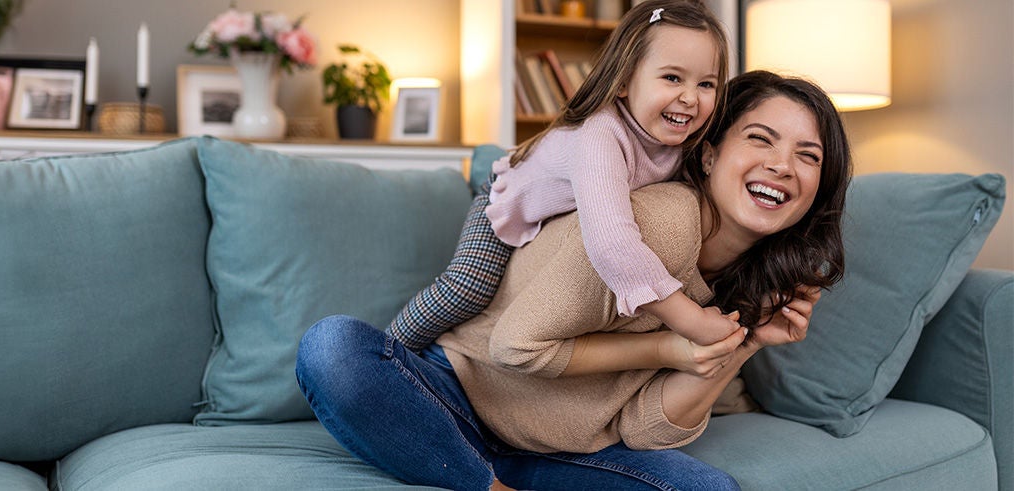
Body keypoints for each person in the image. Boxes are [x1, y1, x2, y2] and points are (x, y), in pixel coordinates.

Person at [296, 70, 853, 490]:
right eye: (761, 139)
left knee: (708, 489)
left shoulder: (751, 278)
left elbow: (645, 431)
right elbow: (516, 346)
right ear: (708, 154)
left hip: (559, 449)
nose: (784, 165)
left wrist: (746, 343)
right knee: (333, 347)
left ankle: (465, 469)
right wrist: (668, 345)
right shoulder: (662, 221)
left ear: (817, 190)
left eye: (808, 156)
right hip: (457, 397)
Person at [389, 0, 738, 352]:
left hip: (562, 221)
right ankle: (386, 349)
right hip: (508, 198)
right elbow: (612, 241)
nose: (690, 98)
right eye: (672, 78)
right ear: (623, 82)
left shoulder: (686, 143)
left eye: (707, 84)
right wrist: (690, 319)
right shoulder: (600, 133)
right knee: (467, 288)